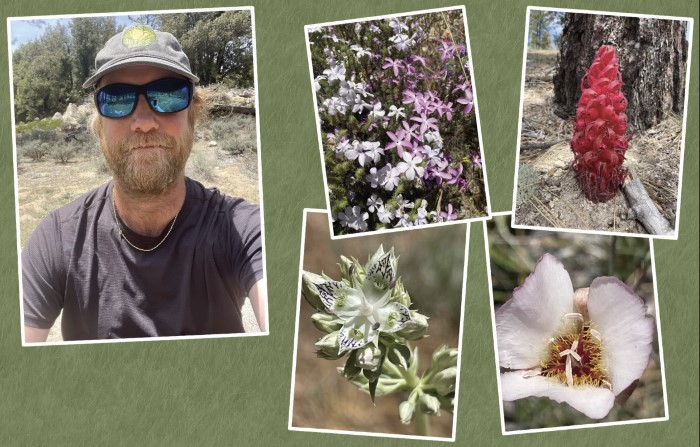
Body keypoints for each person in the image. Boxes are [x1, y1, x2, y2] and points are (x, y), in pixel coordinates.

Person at [21, 25, 266, 342]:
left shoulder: (243, 229)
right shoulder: (56, 240)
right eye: (118, 99)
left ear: (192, 114)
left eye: (167, 95)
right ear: (99, 126)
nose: (144, 122)